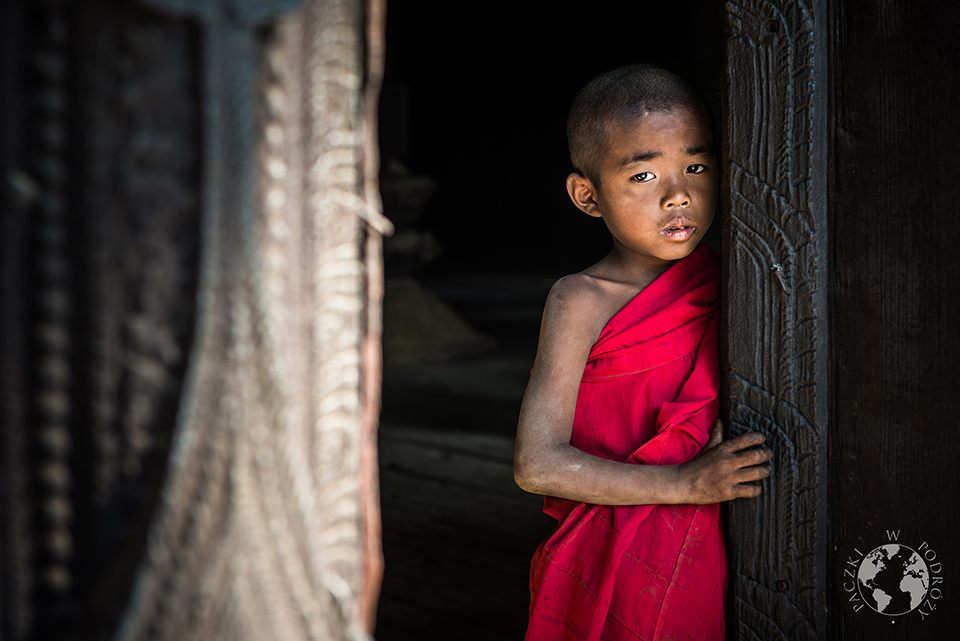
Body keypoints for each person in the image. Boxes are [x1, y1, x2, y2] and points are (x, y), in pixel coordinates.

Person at [513, 64, 773, 640]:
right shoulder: (580, 300)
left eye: (696, 166)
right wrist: (683, 485)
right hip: (613, 554)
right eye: (644, 175)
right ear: (588, 196)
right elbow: (536, 464)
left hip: (714, 543)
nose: (678, 194)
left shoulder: (740, 275)